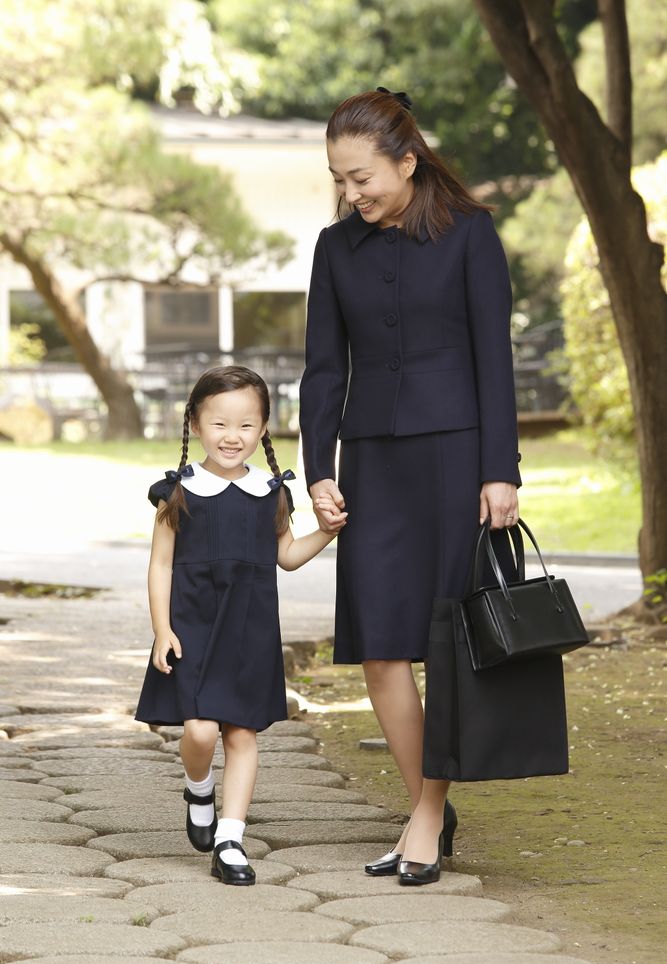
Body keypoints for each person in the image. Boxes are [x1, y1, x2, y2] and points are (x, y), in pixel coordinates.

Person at [299, 88, 521, 885]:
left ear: (406, 159)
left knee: (449, 643)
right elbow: (323, 369)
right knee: (380, 647)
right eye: (339, 180)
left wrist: (502, 471)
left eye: (362, 177)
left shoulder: (470, 237)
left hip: (458, 459)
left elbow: (492, 365)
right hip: (373, 464)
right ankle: (427, 802)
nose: (351, 193)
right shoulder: (334, 250)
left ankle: (425, 816)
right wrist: (317, 470)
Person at [135, 365, 344, 886]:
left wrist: (327, 532)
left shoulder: (272, 493)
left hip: (249, 632)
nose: (233, 437)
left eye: (247, 425)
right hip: (193, 627)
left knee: (243, 733)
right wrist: (162, 629)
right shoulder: (177, 492)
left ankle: (231, 839)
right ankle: (198, 786)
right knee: (201, 730)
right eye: (220, 424)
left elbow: (288, 556)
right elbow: (160, 564)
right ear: (195, 424)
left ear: (266, 428)